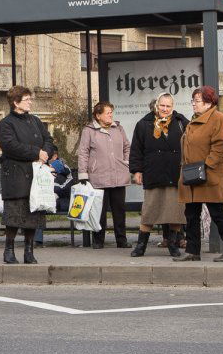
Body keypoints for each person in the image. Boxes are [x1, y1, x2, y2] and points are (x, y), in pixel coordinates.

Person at [175, 86, 223, 262]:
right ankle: (192, 251)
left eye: (197, 101)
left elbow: (222, 146)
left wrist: (205, 166)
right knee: (191, 215)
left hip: (209, 176)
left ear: (209, 102)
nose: (193, 104)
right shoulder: (194, 120)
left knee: (217, 214)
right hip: (192, 176)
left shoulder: (219, 119)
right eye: (193, 100)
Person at [0, 86, 55, 265]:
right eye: (27, 99)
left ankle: (29, 251)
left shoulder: (35, 120)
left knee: (33, 215)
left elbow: (48, 140)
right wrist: (36, 152)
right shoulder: (6, 123)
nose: (30, 102)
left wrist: (45, 152)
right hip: (16, 176)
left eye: (30, 99)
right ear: (16, 102)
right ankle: (9, 250)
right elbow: (10, 146)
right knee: (14, 215)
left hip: (35, 175)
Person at [128, 92, 188, 257]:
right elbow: (136, 150)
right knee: (149, 211)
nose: (165, 109)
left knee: (175, 213)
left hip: (175, 174)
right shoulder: (144, 124)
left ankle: (173, 245)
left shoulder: (181, 122)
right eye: (162, 105)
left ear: (173, 107)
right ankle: (141, 246)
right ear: (156, 105)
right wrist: (137, 171)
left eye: (168, 106)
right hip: (153, 173)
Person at [77, 101, 132, 249]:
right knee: (99, 211)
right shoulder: (89, 130)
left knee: (119, 211)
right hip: (98, 177)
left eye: (111, 112)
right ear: (98, 115)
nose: (111, 115)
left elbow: (127, 147)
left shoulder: (118, 128)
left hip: (119, 176)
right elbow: (83, 152)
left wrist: (126, 162)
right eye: (108, 113)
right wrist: (83, 173)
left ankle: (122, 240)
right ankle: (98, 240)